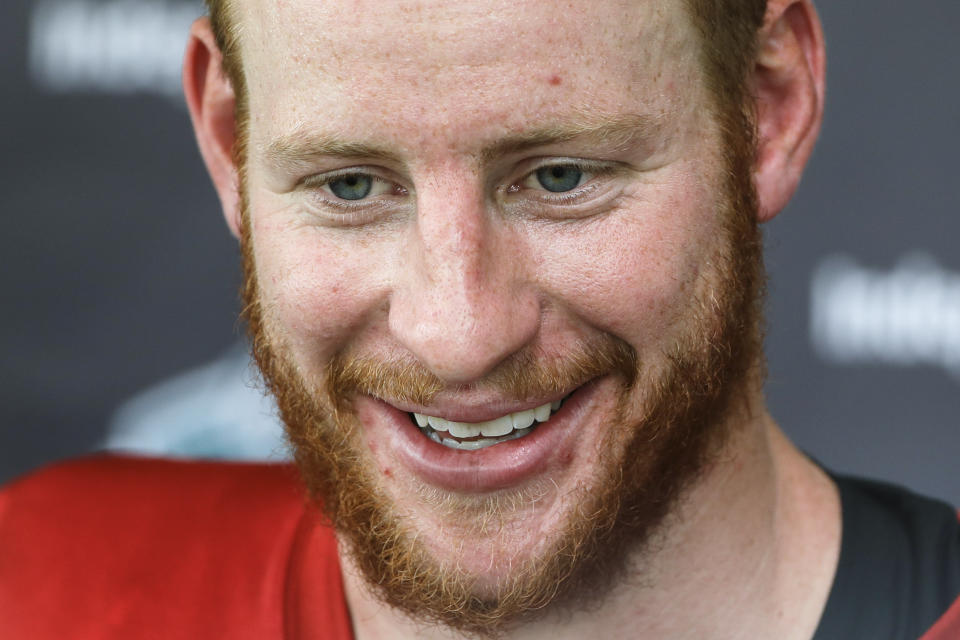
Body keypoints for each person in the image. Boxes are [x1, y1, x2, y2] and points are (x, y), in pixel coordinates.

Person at [1, 0, 958, 638]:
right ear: (226, 139)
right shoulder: (38, 589)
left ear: (768, 107)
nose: (457, 333)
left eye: (561, 177)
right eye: (350, 185)